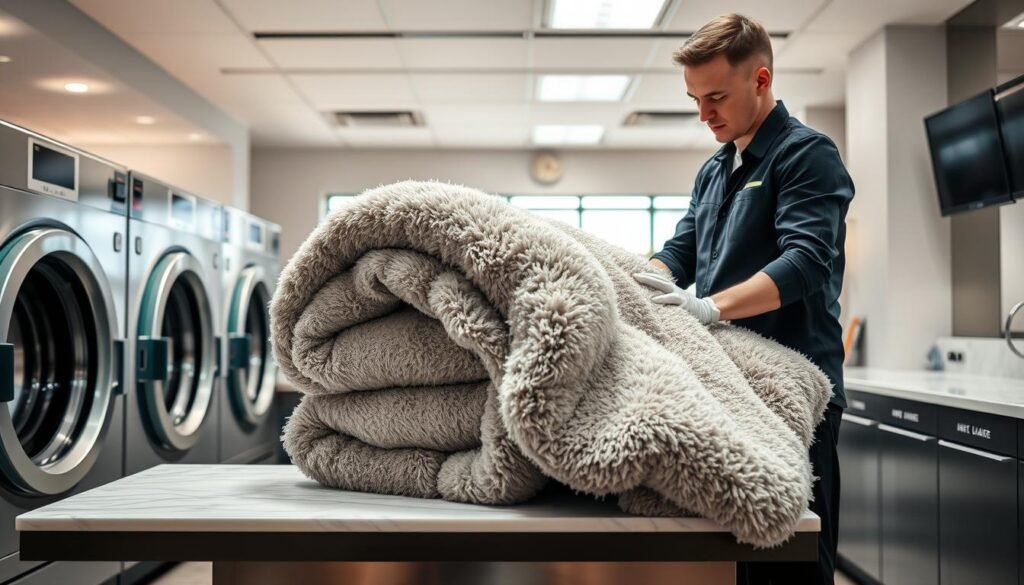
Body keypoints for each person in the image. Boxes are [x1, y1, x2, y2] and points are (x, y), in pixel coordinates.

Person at [633, 13, 854, 585]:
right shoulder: (715, 169)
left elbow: (805, 261)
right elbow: (681, 249)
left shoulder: (806, 155)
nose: (703, 114)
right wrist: (645, 280)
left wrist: (710, 309)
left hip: (797, 390)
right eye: (694, 99)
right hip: (732, 386)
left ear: (760, 80)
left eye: (715, 97)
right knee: (751, 550)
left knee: (794, 559)